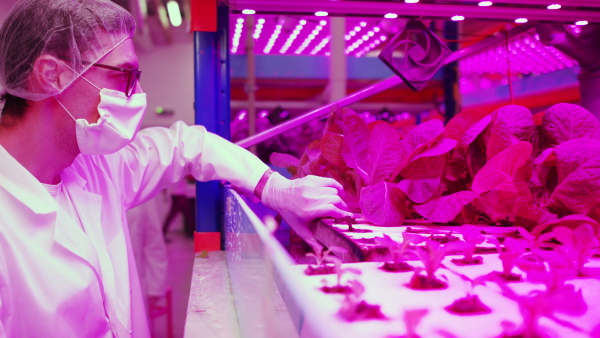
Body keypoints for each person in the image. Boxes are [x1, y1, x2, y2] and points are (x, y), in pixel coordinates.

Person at [0, 0, 351, 336]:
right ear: (52, 75)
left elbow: (190, 145)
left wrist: (277, 190)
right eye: (124, 75)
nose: (136, 94)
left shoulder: (95, 170)